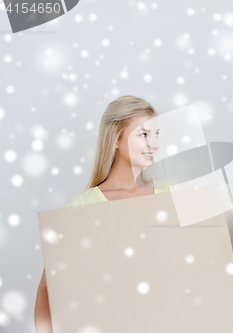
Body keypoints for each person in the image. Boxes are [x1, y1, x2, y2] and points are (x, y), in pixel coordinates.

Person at [34, 95, 173, 332]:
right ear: (115, 139)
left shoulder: (174, 196)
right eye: (143, 134)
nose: (155, 143)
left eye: (156, 134)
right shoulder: (81, 207)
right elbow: (50, 289)